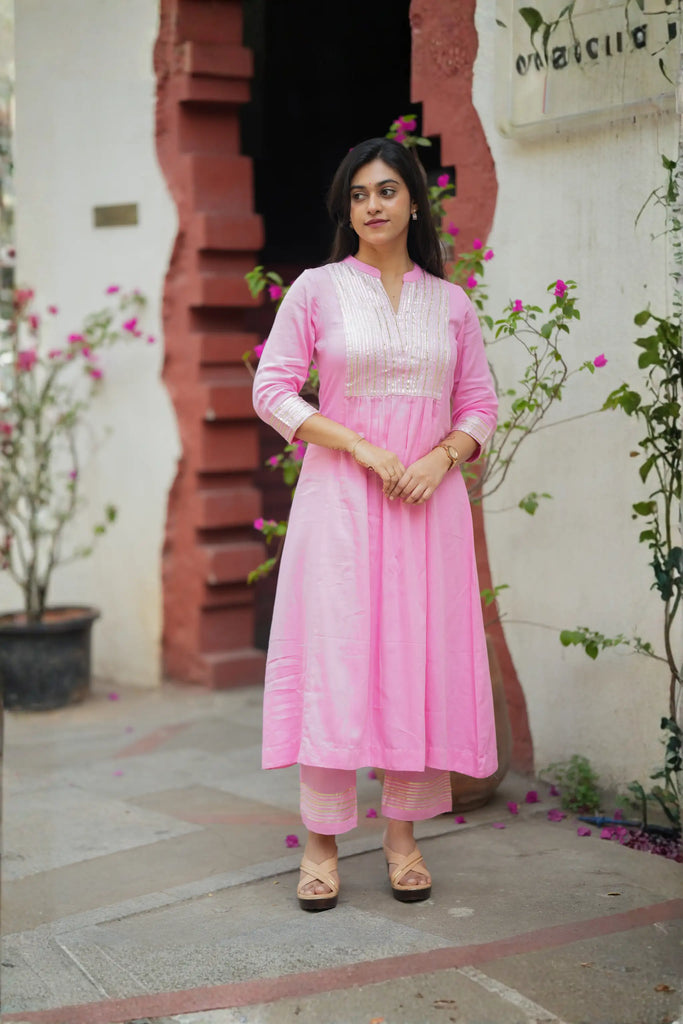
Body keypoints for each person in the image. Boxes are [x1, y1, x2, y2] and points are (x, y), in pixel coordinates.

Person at [252, 137, 498, 912]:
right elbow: (273, 389)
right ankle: (320, 846)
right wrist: (355, 442)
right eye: (358, 195)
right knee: (335, 659)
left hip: (428, 508)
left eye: (387, 190)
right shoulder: (318, 290)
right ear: (347, 210)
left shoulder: (450, 304)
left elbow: (480, 404)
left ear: (414, 202)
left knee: (416, 658)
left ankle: (402, 838)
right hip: (340, 504)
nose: (373, 205)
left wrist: (444, 458)